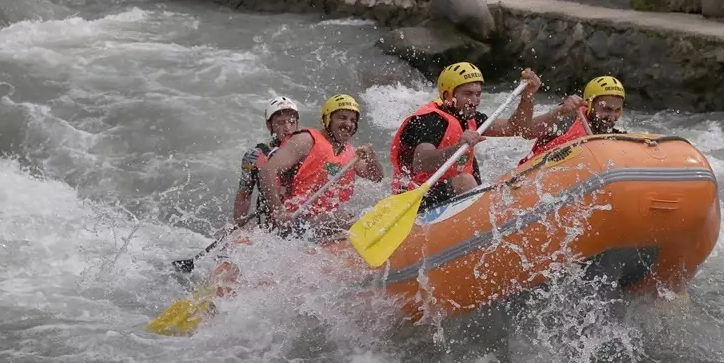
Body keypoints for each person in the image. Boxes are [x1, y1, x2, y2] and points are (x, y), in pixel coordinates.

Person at [389, 62, 542, 210]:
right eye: (467, 94)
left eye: (478, 94)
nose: (474, 100)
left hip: (444, 191)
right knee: (465, 181)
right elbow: (421, 163)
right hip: (413, 200)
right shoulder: (430, 120)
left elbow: (515, 128)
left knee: (471, 169)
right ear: (448, 95)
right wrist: (458, 147)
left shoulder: (468, 116)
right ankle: (483, 217)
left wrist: (527, 96)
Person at [258, 93, 384, 237]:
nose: (348, 124)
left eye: (353, 120)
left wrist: (372, 157)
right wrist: (278, 211)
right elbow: (267, 171)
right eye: (342, 117)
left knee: (346, 215)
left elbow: (376, 177)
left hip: (323, 221)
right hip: (294, 221)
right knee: (342, 217)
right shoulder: (306, 140)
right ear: (327, 119)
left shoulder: (351, 154)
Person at [518, 75, 627, 166]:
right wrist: (560, 111)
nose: (612, 117)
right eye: (606, 109)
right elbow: (527, 132)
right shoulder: (569, 117)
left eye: (617, 110)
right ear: (589, 104)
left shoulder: (614, 136)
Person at [234, 96, 302, 227]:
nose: (288, 128)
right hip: (270, 227)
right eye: (281, 123)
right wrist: (239, 226)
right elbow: (244, 195)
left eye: (292, 122)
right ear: (269, 126)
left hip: (303, 220)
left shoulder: (308, 150)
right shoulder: (255, 155)